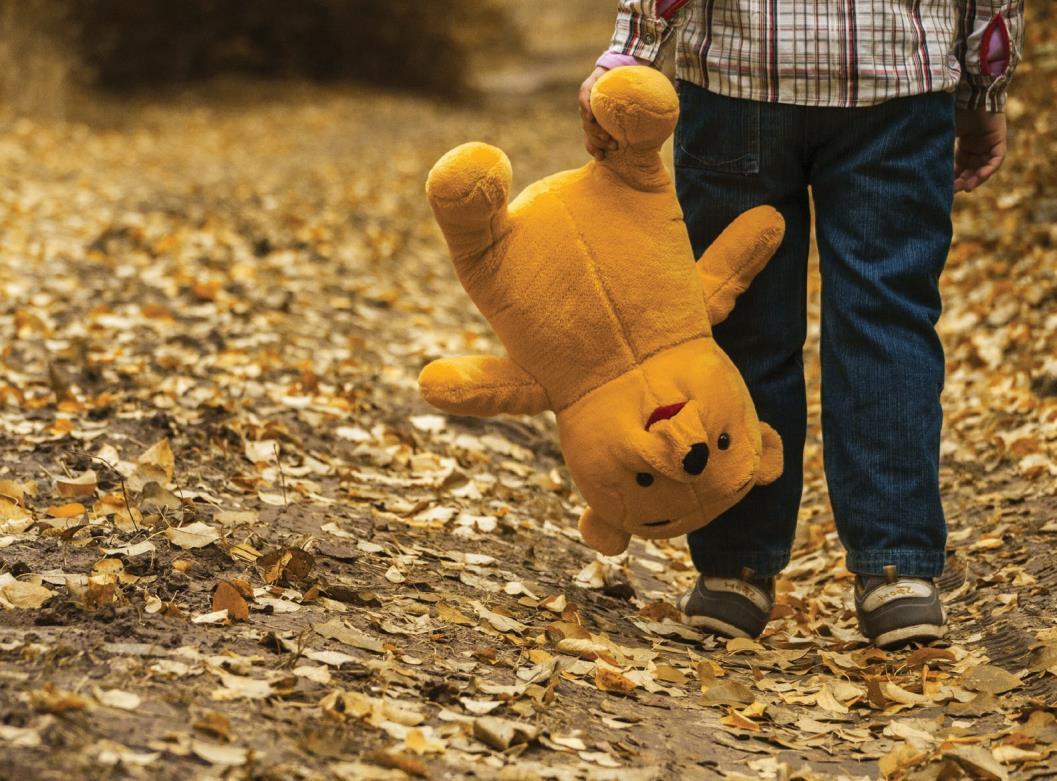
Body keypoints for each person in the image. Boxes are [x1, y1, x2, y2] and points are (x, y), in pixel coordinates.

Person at [580, 0, 1024, 648]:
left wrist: (631, 51)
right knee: (887, 320)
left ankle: (735, 573)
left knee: (739, 317)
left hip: (739, 75)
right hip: (898, 78)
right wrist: (984, 89)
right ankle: (897, 575)